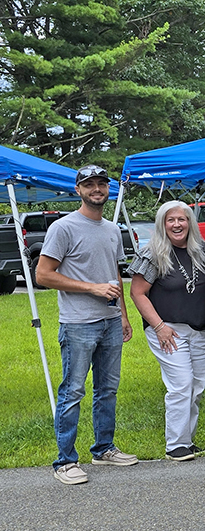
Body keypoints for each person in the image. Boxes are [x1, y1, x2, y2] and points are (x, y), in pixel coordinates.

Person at [37, 164, 138, 484]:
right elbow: (43, 275)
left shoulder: (111, 229)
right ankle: (65, 461)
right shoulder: (64, 228)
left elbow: (115, 276)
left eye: (102, 184)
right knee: (73, 391)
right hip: (78, 323)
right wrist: (92, 289)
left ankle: (103, 449)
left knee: (107, 389)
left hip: (109, 322)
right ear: (78, 190)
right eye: (90, 184)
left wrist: (122, 315)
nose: (97, 189)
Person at [128, 201, 205, 462]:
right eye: (171, 220)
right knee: (181, 384)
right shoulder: (152, 254)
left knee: (197, 386)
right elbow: (137, 293)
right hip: (167, 330)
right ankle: (176, 445)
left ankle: (187, 440)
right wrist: (159, 327)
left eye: (182, 219)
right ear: (162, 224)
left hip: (200, 328)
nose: (177, 224)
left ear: (190, 223)